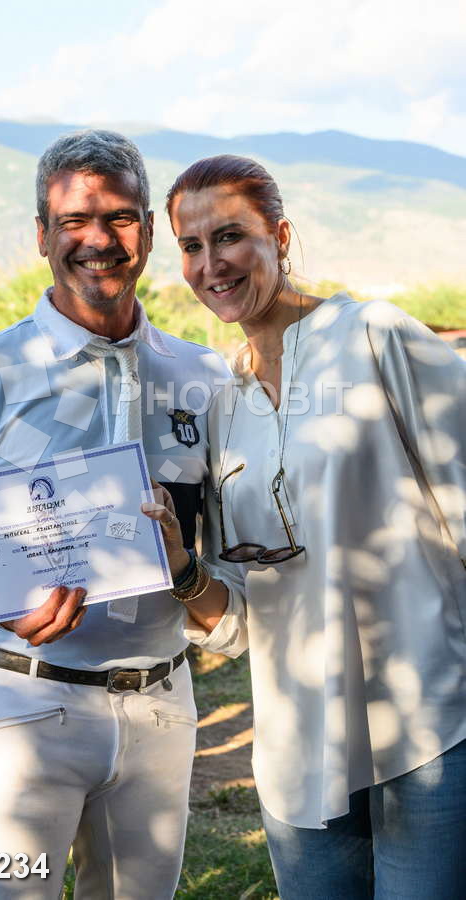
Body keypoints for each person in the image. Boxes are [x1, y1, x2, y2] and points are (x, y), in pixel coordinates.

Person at [0, 131, 230, 900]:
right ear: (41, 234)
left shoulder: (203, 376)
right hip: (23, 700)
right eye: (74, 220)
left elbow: (228, 550)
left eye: (120, 218)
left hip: (161, 704)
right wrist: (2, 606)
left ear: (148, 230)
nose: (98, 240)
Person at [142, 154, 466, 899]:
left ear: (280, 236)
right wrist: (181, 566)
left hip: (428, 730)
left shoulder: (375, 337)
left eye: (230, 236)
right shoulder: (223, 406)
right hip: (298, 751)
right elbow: (239, 618)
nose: (211, 264)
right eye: (191, 247)